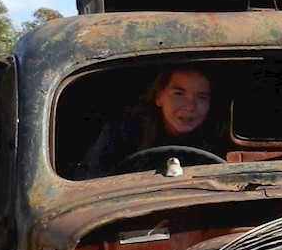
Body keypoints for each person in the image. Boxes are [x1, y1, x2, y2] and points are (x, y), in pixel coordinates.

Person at [79, 65, 220, 176]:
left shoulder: (220, 137)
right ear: (159, 97)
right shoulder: (124, 130)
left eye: (201, 97)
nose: (190, 106)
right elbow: (92, 176)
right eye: (178, 94)